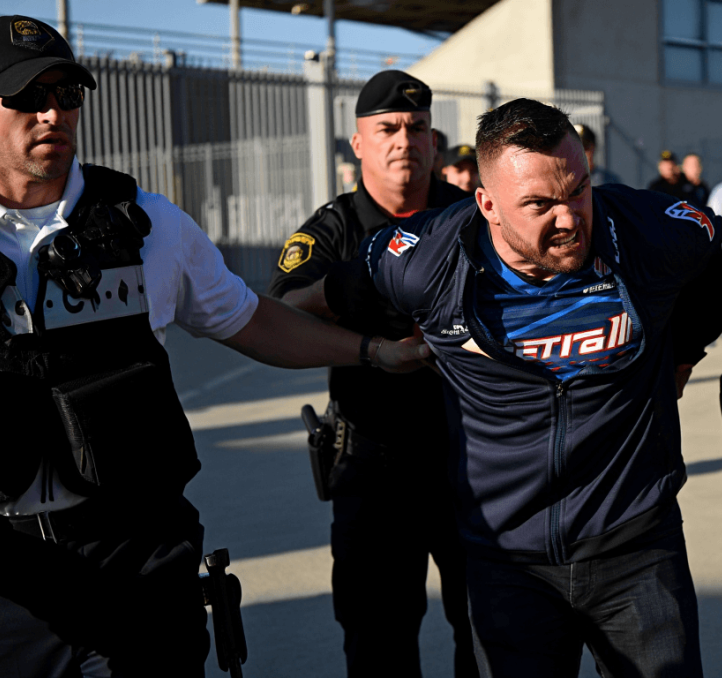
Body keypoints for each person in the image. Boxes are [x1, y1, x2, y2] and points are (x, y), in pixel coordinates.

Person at [0, 16, 429, 678]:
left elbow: (251, 319)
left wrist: (375, 353)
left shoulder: (149, 226)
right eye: (27, 98)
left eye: (67, 96)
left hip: (139, 561)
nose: (52, 114)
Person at [295, 97, 722, 677]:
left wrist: (682, 354)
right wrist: (374, 352)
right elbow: (311, 300)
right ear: (488, 204)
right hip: (505, 564)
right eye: (539, 204)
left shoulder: (651, 230)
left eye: (578, 191)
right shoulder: (426, 258)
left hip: (637, 550)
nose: (568, 218)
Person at [267, 70, 477, 678]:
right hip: (375, 467)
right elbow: (276, 311)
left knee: (494, 636)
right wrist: (346, 290)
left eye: (416, 128)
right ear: (358, 143)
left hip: (475, 461)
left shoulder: (475, 217)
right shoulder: (333, 230)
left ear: (434, 142)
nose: (402, 140)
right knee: (378, 642)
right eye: (386, 128)